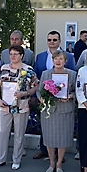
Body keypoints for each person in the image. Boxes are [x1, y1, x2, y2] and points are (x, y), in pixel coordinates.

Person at [0, 45, 38, 170]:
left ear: (21, 55)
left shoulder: (28, 69)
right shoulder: (4, 68)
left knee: (19, 134)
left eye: (15, 54)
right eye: (11, 54)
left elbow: (36, 85)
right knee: (3, 133)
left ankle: (16, 160)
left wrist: (25, 93)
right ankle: (1, 159)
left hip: (21, 106)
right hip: (5, 106)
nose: (12, 56)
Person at [33, 31, 76, 159]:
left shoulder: (69, 56)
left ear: (59, 41)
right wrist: (39, 97)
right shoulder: (40, 56)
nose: (52, 42)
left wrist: (68, 95)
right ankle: (44, 150)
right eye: (49, 39)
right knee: (47, 130)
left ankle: (59, 156)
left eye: (54, 39)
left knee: (62, 131)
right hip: (47, 102)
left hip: (63, 103)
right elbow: (37, 77)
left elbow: (72, 79)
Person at [37, 50, 76, 172]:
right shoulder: (46, 73)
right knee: (49, 138)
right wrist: (41, 98)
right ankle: (52, 163)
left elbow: (77, 91)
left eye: (61, 59)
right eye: (55, 59)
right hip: (49, 110)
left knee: (62, 138)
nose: (58, 61)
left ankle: (59, 163)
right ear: (52, 60)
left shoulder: (72, 74)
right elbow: (39, 90)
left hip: (65, 110)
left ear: (65, 61)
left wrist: (70, 96)